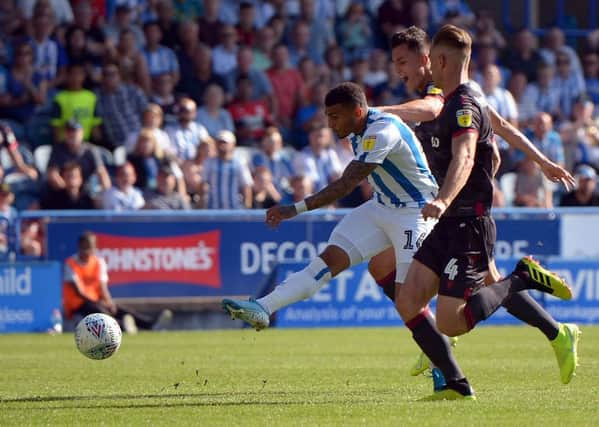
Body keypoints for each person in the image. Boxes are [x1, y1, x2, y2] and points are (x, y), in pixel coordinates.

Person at [373, 25, 579, 382]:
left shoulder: (445, 98)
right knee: (478, 282)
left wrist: (379, 112)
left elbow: (463, 148)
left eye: (402, 62)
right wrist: (541, 160)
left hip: (462, 215)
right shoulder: (455, 96)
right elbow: (501, 130)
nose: (397, 70)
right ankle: (554, 333)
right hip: (448, 216)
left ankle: (441, 351)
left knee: (449, 299)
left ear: (430, 60)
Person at [222, 81, 438, 347]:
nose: (331, 124)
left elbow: (346, 184)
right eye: (328, 117)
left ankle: (441, 363)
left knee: (410, 301)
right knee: (326, 262)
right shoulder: (359, 130)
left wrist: (295, 208)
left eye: (335, 117)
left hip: (416, 212)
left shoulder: (382, 131)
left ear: (357, 112)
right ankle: (263, 307)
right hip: (382, 206)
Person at [63, 231, 172, 333]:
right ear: (79, 246)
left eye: (89, 247)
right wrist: (99, 303)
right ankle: (123, 326)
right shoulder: (71, 263)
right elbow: (79, 293)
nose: (87, 250)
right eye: (85, 247)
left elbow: (102, 287)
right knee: (99, 311)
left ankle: (150, 325)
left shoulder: (98, 262)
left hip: (96, 301)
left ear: (94, 247)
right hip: (77, 306)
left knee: (119, 310)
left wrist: (109, 303)